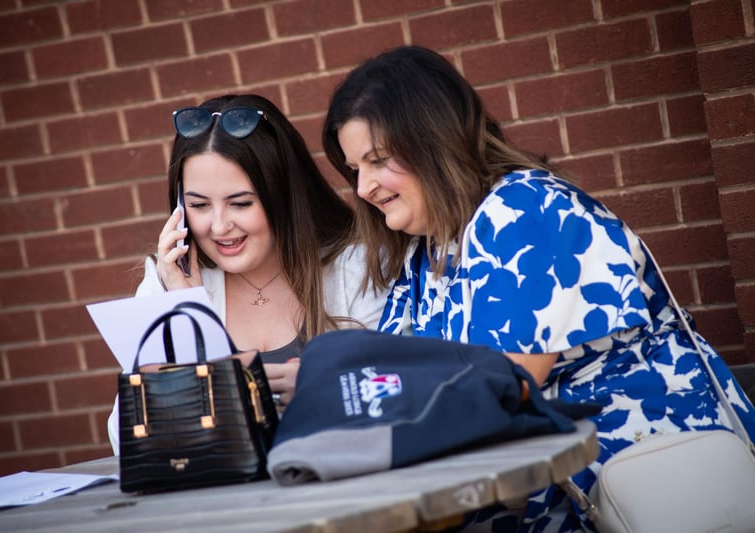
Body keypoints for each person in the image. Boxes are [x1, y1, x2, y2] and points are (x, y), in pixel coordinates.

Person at [321, 45, 755, 531]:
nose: (363, 188)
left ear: (432, 139)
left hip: (639, 481)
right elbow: (400, 379)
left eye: (377, 160)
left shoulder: (524, 210)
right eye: (355, 169)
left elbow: (504, 388)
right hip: (533, 487)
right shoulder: (426, 253)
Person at [107, 93, 387, 455]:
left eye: (241, 203)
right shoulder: (167, 283)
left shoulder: (356, 266)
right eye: (198, 205)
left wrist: (320, 391)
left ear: (284, 195)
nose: (220, 226)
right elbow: (127, 437)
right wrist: (190, 311)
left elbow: (391, 396)